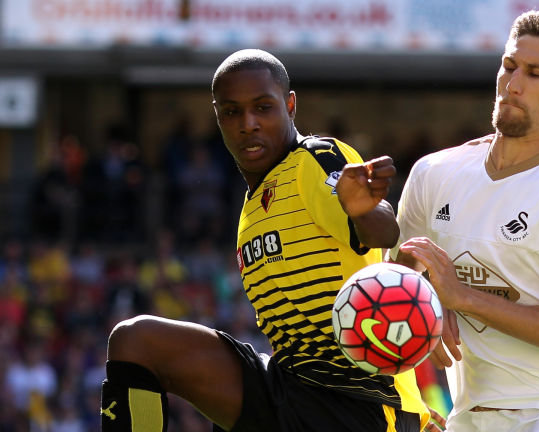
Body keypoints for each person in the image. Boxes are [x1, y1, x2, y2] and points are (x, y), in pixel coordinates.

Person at [99, 49, 431, 431]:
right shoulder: (250, 209)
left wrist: (363, 210)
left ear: (289, 106)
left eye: (263, 107)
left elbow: (382, 231)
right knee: (135, 342)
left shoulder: (315, 159)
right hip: (286, 386)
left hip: (357, 397)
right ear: (219, 118)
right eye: (232, 112)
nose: (249, 124)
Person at [389, 7, 539, 432]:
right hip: (465, 415)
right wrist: (430, 309)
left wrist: (461, 297)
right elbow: (398, 285)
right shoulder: (432, 173)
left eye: (535, 73)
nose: (512, 85)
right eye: (509, 66)